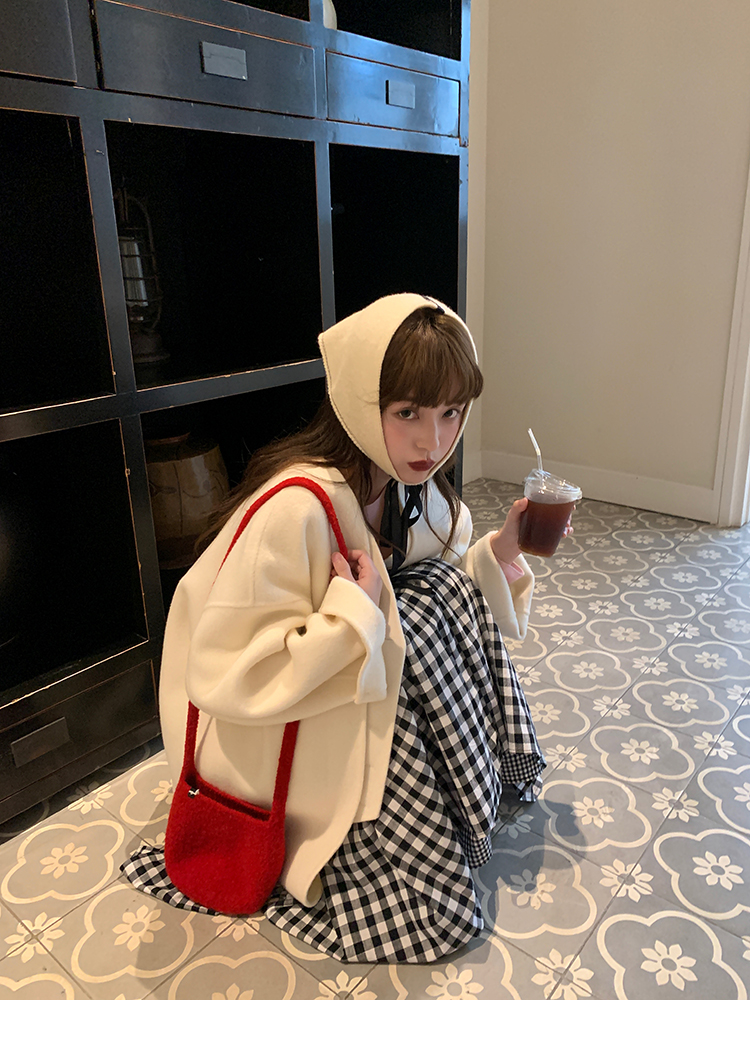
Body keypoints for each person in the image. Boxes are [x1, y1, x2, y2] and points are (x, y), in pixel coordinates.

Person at [124, 293, 547, 963]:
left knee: (437, 598)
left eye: (450, 412)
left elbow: (445, 576)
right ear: (358, 400)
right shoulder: (297, 508)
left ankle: (464, 798)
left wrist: (502, 552)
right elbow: (227, 673)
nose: (432, 441)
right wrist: (353, 614)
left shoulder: (410, 483)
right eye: (407, 412)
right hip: (260, 728)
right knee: (410, 625)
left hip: (322, 694)